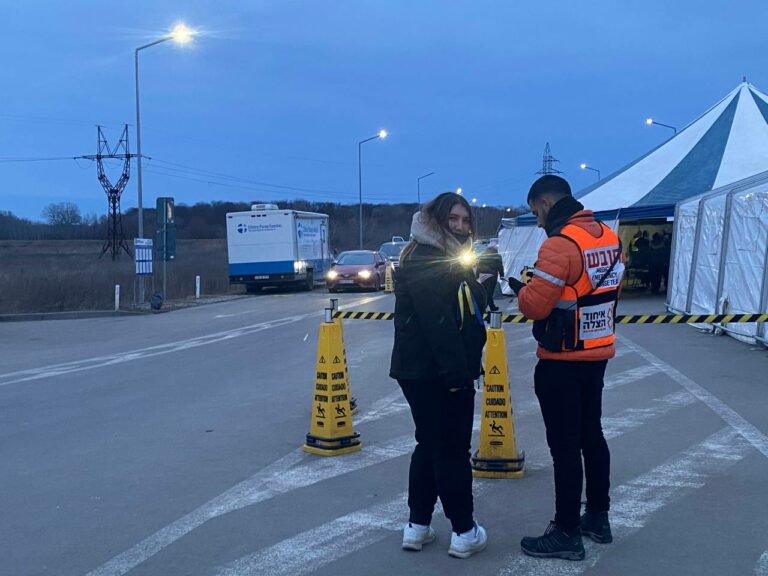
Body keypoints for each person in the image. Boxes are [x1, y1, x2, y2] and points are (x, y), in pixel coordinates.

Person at [507, 175, 624, 561]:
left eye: (535, 212)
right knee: (593, 436)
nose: (537, 221)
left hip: (561, 359)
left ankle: (566, 532)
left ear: (544, 202)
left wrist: (524, 288)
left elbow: (535, 307)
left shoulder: (560, 244)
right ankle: (598, 518)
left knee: (565, 448)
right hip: (597, 353)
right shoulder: (607, 235)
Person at [390, 191, 489, 559]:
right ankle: (464, 530)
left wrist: (479, 284)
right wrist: (457, 375)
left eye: (466, 221)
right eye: (454, 220)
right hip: (440, 372)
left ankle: (417, 526)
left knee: (429, 444)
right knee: (451, 451)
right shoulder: (430, 260)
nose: (462, 227)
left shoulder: (432, 255)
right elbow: (440, 325)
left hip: (418, 370)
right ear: (437, 222)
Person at [477, 244, 504, 311]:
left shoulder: (482, 255)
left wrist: (477, 275)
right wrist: (502, 275)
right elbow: (500, 266)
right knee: (489, 293)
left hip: (482, 276)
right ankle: (483, 308)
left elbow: (478, 266)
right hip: (492, 276)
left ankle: (491, 306)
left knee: (485, 292)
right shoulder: (497, 256)